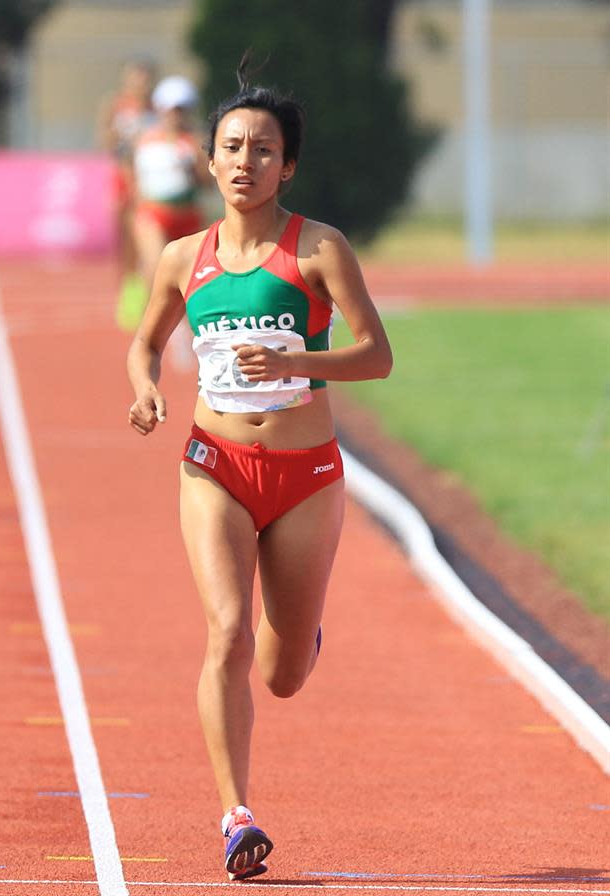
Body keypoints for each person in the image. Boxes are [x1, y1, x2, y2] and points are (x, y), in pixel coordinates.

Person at [126, 56, 393, 881]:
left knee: (281, 675)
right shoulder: (181, 258)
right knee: (228, 632)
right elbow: (145, 341)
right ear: (209, 160)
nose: (247, 162)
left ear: (290, 165)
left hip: (306, 474)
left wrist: (302, 369)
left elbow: (377, 356)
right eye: (233, 147)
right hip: (215, 465)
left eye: (265, 149)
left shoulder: (318, 249)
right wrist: (143, 388)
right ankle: (236, 815)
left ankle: (301, 632)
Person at [130, 75, 208, 339]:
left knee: (191, 274)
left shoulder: (195, 141)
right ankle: (148, 330)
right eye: (173, 109)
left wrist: (193, 167)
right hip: (153, 213)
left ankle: (187, 328)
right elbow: (134, 178)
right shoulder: (145, 139)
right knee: (155, 268)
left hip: (186, 213)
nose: (177, 115)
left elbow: (208, 182)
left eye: (182, 109)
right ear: (161, 109)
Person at [97, 59, 158, 331]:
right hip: (123, 178)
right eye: (135, 78)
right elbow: (106, 142)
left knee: (147, 234)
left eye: (144, 78)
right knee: (125, 239)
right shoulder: (116, 105)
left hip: (150, 180)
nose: (140, 84)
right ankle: (129, 290)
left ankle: (150, 293)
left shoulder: (159, 109)